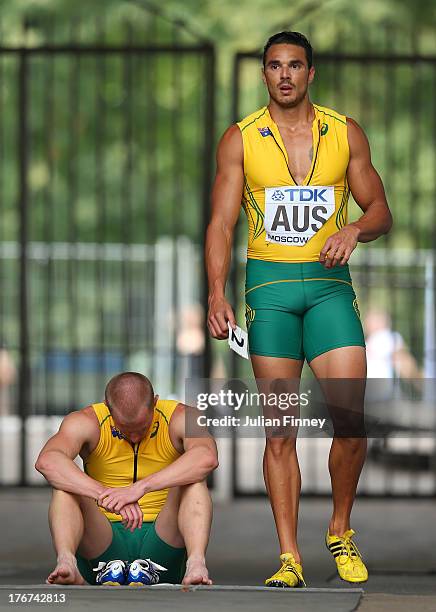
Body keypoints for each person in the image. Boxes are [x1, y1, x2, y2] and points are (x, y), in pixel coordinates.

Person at [205, 31, 392, 587]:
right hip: (271, 292)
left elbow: (380, 206)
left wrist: (356, 228)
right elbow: (220, 222)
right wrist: (217, 291)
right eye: (273, 66)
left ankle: (340, 529)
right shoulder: (240, 139)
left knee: (351, 424)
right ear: (264, 74)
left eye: (294, 65)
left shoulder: (344, 132)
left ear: (311, 73)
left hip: (331, 289)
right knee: (280, 432)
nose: (284, 74)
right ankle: (289, 556)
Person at [35, 371, 218, 586]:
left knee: (194, 480)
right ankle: (67, 562)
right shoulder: (86, 421)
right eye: (125, 429)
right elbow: (47, 461)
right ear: (108, 408)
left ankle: (196, 564)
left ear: (155, 403)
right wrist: (105, 494)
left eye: (141, 427)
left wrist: (140, 488)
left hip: (162, 541)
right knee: (65, 486)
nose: (134, 436)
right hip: (103, 544)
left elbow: (207, 457)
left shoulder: (183, 417)